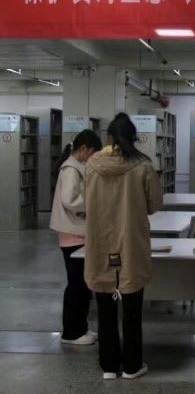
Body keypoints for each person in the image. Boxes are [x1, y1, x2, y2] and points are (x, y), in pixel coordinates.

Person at [84, 113, 163, 381]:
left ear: (109, 137)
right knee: (131, 307)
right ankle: (132, 365)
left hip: (100, 242)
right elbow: (155, 204)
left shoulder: (92, 164)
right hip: (130, 242)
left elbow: (86, 199)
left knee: (105, 306)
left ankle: (108, 365)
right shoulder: (143, 165)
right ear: (133, 137)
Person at [50, 129, 103, 346]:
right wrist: (94, 201)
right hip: (73, 234)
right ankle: (71, 332)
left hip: (78, 232)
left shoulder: (77, 166)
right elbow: (70, 200)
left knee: (83, 283)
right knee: (77, 284)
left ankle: (80, 327)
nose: (93, 158)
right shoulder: (71, 169)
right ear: (84, 149)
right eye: (93, 153)